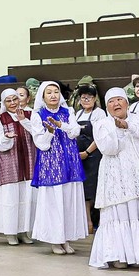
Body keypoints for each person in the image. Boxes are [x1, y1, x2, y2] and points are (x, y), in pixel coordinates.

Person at [89, 88, 139, 269]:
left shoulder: (138, 117)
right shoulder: (102, 124)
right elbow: (108, 149)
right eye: (111, 101)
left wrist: (128, 126)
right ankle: (118, 256)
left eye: (119, 100)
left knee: (138, 212)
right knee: (120, 214)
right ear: (106, 106)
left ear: (126, 102)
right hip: (118, 180)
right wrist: (119, 130)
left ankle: (138, 255)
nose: (116, 104)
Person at [20, 81, 88, 255]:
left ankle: (66, 239)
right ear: (42, 96)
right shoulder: (37, 115)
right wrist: (50, 132)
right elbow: (41, 144)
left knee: (68, 200)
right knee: (54, 202)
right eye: (48, 92)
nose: (53, 95)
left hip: (70, 162)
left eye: (56, 91)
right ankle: (55, 240)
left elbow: (75, 132)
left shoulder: (69, 111)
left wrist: (59, 125)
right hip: (51, 163)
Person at [0, 88, 36, 245]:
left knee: (26, 196)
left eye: (15, 99)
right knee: (10, 197)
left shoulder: (30, 115)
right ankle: (10, 233)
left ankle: (23, 231)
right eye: (9, 100)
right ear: (4, 103)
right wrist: (6, 138)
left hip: (28, 162)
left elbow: (38, 134)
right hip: (9, 162)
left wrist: (24, 122)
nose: (13, 103)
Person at [72, 83, 103, 231]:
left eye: (89, 97)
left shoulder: (99, 114)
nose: (86, 100)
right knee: (83, 189)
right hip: (79, 156)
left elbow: (100, 137)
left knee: (95, 188)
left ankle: (99, 221)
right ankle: (87, 222)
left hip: (94, 155)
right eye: (83, 97)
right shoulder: (76, 114)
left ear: (95, 98)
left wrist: (88, 153)